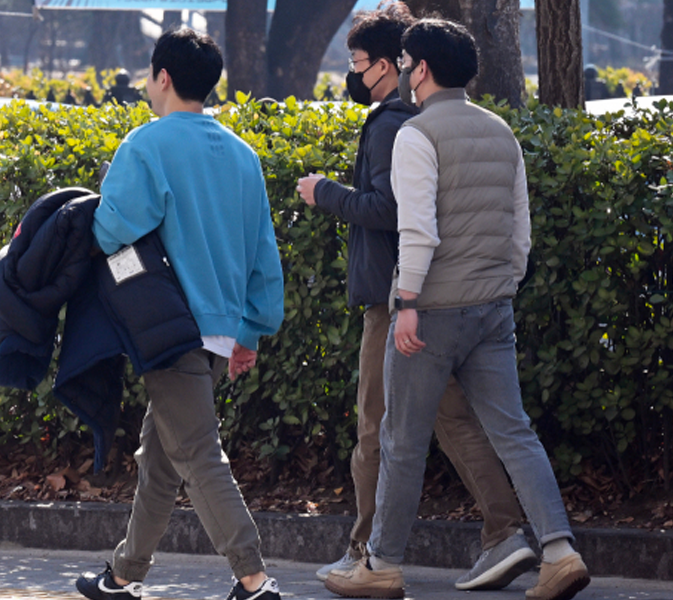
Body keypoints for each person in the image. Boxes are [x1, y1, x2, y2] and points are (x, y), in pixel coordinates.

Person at [324, 18, 591, 600]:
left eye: (405, 62)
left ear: (418, 68)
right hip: (493, 307)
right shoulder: (501, 131)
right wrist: (504, 286)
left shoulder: (418, 135)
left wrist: (410, 302)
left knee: (400, 438)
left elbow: (417, 229)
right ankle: (560, 551)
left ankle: (382, 566)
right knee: (515, 434)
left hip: (433, 307)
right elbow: (519, 229)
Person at [297, 4, 534, 591]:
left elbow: (390, 211)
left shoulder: (390, 127)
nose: (352, 75)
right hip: (443, 298)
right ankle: (507, 535)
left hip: (396, 300)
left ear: (389, 65)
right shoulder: (425, 121)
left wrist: (324, 192)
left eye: (358, 63)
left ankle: (367, 554)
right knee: (453, 421)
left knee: (376, 429)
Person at [76, 27, 285, 600]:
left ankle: (255, 578)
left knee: (196, 454)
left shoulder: (147, 145)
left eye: (149, 75)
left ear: (162, 77)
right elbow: (263, 251)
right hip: (220, 333)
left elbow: (112, 229)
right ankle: (124, 574)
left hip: (169, 331)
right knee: (162, 460)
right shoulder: (242, 155)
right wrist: (253, 330)